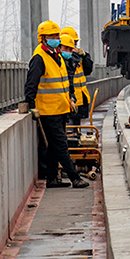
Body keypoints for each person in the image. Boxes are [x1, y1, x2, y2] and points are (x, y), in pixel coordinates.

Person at [24, 20, 88, 188]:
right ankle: (75, 177)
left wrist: (70, 100)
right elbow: (31, 83)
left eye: (56, 35)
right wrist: (31, 105)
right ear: (42, 38)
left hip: (60, 108)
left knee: (53, 146)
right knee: (61, 144)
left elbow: (62, 82)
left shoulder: (56, 55)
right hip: (48, 110)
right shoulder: (39, 57)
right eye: (51, 36)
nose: (55, 38)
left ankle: (52, 178)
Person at [61, 26, 94, 126]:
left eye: (76, 42)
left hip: (81, 98)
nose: (75, 45)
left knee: (77, 125)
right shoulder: (64, 60)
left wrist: (85, 56)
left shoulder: (79, 56)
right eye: (73, 42)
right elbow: (70, 72)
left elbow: (88, 70)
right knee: (70, 127)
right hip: (69, 99)